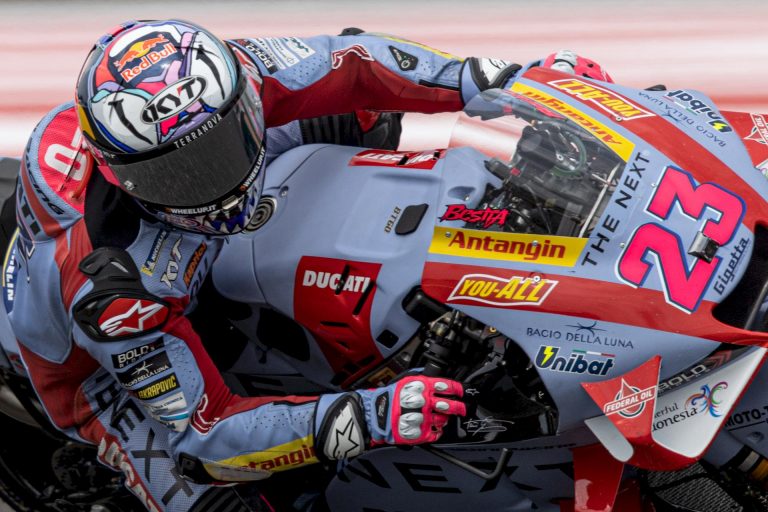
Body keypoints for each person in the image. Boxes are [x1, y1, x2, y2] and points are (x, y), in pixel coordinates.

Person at [8, 19, 610, 511]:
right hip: (95, 368)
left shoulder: (224, 74)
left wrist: (514, 83)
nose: (211, 187)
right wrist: (371, 417)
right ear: (119, 173)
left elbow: (356, 60)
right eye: (177, 175)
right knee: (217, 495)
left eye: (217, 151)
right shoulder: (113, 285)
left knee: (359, 114)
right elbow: (207, 436)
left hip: (205, 233)